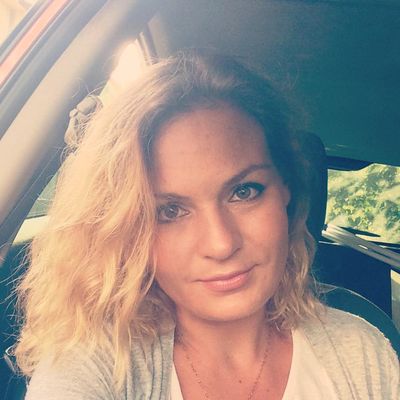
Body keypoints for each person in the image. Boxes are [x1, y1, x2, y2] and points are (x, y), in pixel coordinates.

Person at [16, 50, 398, 399]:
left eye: (244, 192)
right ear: (128, 229)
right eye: (170, 211)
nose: (221, 244)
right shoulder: (101, 362)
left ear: (286, 188)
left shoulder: (359, 350)